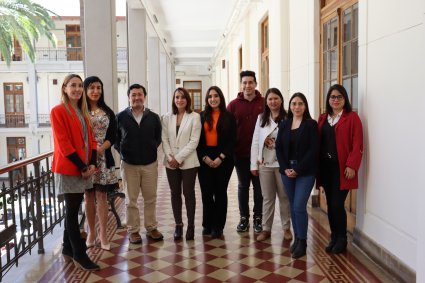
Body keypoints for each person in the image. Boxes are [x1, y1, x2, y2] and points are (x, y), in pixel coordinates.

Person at [50, 74, 100, 271]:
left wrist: (93, 163)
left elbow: (92, 140)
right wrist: (82, 166)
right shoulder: (58, 111)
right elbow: (63, 143)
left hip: (84, 168)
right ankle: (79, 254)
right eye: (73, 85)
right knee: (72, 212)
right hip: (70, 168)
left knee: (73, 209)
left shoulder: (82, 111)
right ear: (64, 88)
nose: (77, 89)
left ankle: (67, 250)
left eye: (80, 86)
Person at [115, 83, 163, 244]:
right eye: (133, 95)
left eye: (139, 94)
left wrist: (149, 150)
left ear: (144, 97)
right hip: (129, 165)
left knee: (151, 198)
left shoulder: (153, 117)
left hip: (150, 164)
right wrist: (123, 152)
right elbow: (115, 140)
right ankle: (133, 230)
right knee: (131, 200)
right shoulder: (120, 117)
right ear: (129, 98)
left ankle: (151, 227)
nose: (136, 97)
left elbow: (158, 138)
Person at [318, 84, 363, 254]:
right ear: (328, 100)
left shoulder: (352, 118)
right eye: (332, 97)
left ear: (345, 99)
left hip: (342, 169)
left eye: (339, 97)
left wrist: (352, 165)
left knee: (337, 204)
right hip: (325, 168)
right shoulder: (323, 118)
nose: (335, 100)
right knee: (330, 204)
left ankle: (342, 238)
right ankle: (334, 237)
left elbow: (358, 143)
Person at [276, 92, 318, 259]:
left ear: (305, 106)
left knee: (300, 206)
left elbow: (313, 150)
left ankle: (303, 240)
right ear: (290, 106)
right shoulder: (284, 124)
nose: (297, 107)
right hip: (287, 171)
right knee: (293, 205)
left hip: (305, 172)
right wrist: (286, 168)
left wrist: (298, 169)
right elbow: (279, 148)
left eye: (300, 103)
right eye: (294, 104)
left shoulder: (311, 124)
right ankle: (298, 239)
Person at [250, 88, 292, 241]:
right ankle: (266, 229)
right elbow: (255, 141)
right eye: (270, 99)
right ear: (266, 102)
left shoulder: (289, 118)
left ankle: (286, 228)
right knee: (267, 198)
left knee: (284, 197)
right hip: (265, 164)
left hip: (282, 165)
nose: (273, 102)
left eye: (276, 98)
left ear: (281, 100)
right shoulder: (261, 118)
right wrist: (253, 165)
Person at [161, 87, 201, 240]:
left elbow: (194, 141)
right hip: (170, 162)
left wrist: (178, 158)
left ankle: (191, 226)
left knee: (188, 193)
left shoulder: (194, 117)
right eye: (177, 97)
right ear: (173, 99)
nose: (179, 100)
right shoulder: (167, 117)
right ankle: (178, 225)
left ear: (187, 100)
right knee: (174, 193)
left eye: (183, 97)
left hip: (189, 161)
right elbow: (164, 139)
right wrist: (171, 157)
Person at [84, 76, 118, 251]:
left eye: (98, 87)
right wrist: (90, 149)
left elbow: (113, 136)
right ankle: (91, 232)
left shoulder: (108, 112)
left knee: (102, 196)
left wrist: (101, 148)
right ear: (85, 90)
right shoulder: (80, 111)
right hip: (85, 159)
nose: (95, 91)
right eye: (91, 88)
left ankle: (103, 233)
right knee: (88, 196)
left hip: (103, 158)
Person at [227, 70, 264, 233]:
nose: (247, 85)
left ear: (255, 84)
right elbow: (226, 128)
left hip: (260, 156)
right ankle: (244, 218)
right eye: (244, 83)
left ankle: (258, 218)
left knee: (259, 188)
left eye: (250, 82)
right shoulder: (233, 105)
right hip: (240, 154)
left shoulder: (264, 103)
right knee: (243, 186)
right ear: (241, 85)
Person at [197, 86, 236, 238]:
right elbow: (197, 140)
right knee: (206, 193)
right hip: (204, 157)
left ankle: (218, 226)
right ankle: (207, 223)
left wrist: (220, 157)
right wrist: (205, 157)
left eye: (216, 96)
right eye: (210, 96)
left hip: (224, 159)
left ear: (221, 97)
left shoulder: (229, 116)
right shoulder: (200, 116)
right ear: (207, 99)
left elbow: (232, 140)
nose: (213, 99)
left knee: (220, 193)